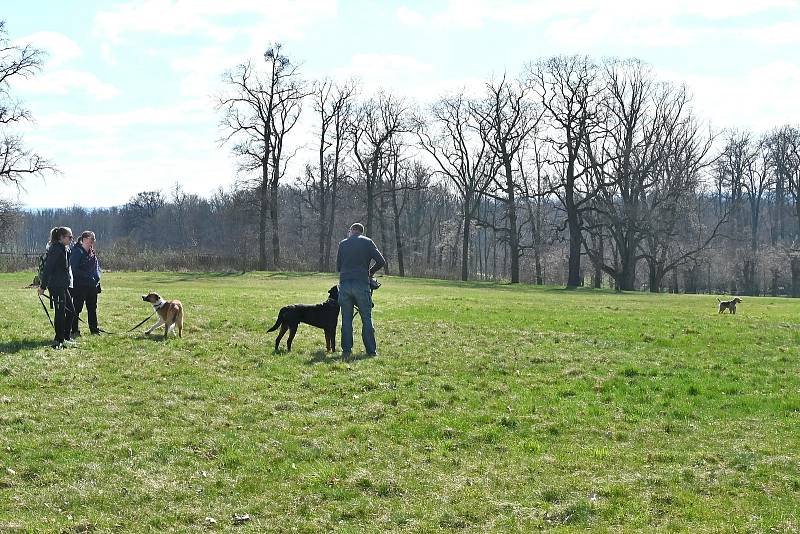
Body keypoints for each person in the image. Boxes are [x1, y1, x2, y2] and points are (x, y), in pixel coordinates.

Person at [336, 222, 385, 359]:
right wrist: (370, 272)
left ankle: (346, 350)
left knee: (346, 319)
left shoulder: (343, 243)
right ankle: (371, 351)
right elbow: (381, 261)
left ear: (352, 230)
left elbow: (338, 267)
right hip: (361, 284)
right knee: (366, 318)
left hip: (345, 284)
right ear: (361, 232)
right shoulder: (368, 242)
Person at [38, 227, 75, 348]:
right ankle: (59, 339)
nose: (71, 239)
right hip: (56, 286)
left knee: (71, 311)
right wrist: (42, 287)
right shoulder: (55, 250)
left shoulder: (64, 249)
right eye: (69, 237)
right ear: (61, 237)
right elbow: (48, 269)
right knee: (60, 313)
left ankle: (66, 336)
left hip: (63, 285)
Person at [70, 230, 102, 336]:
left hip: (92, 285)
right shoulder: (77, 251)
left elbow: (96, 268)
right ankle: (74, 330)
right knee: (77, 308)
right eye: (91, 239)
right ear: (84, 239)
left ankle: (94, 330)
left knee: (92, 308)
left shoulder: (92, 252)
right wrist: (88, 276)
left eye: (94, 239)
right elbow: (74, 269)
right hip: (80, 285)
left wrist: (96, 277)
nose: (93, 241)